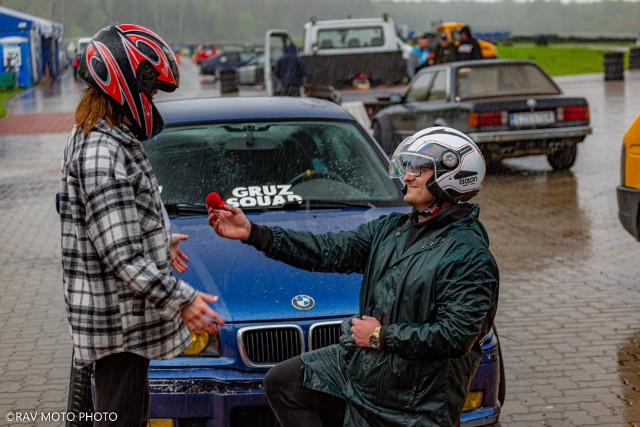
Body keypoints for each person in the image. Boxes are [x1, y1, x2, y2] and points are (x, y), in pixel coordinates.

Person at [208, 126, 499, 426]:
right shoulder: (390, 230)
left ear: (451, 177)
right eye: (410, 167)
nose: (408, 176)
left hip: (415, 398)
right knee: (284, 382)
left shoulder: (468, 255)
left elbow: (455, 336)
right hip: (370, 367)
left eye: (421, 169)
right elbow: (324, 250)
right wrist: (254, 233)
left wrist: (379, 336)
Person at [60, 24, 224, 427]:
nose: (151, 101)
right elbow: (120, 254)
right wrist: (183, 299)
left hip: (122, 322)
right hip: (118, 325)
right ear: (124, 85)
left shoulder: (106, 138)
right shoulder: (102, 151)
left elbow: (113, 224)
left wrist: (160, 241)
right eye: (149, 92)